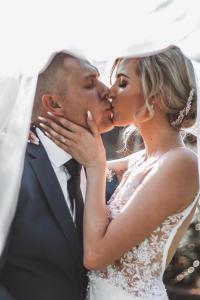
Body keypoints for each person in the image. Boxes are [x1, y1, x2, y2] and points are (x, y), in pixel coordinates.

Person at [38, 45, 199, 300]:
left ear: (154, 94)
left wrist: (97, 164)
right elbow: (70, 162)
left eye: (122, 83)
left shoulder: (182, 164)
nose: (110, 91)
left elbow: (95, 256)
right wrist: (28, 126)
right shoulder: (140, 161)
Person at [0, 51, 114, 300]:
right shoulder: (11, 171)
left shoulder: (103, 173)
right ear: (53, 104)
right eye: (90, 83)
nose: (107, 91)